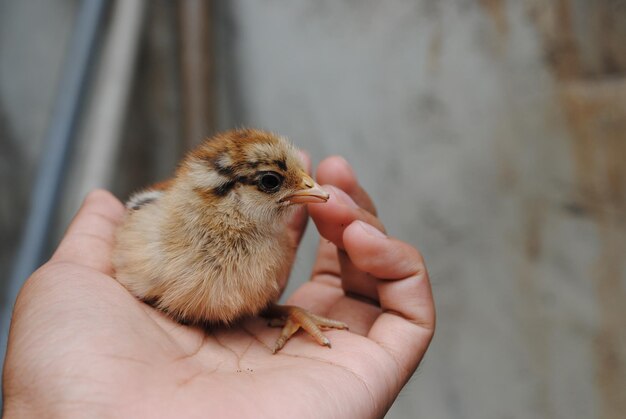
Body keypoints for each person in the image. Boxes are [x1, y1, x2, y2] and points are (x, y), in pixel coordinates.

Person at [2, 156, 435, 418]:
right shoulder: (155, 238)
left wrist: (280, 308)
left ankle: (285, 313)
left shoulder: (274, 241)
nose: (307, 188)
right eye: (271, 181)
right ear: (224, 192)